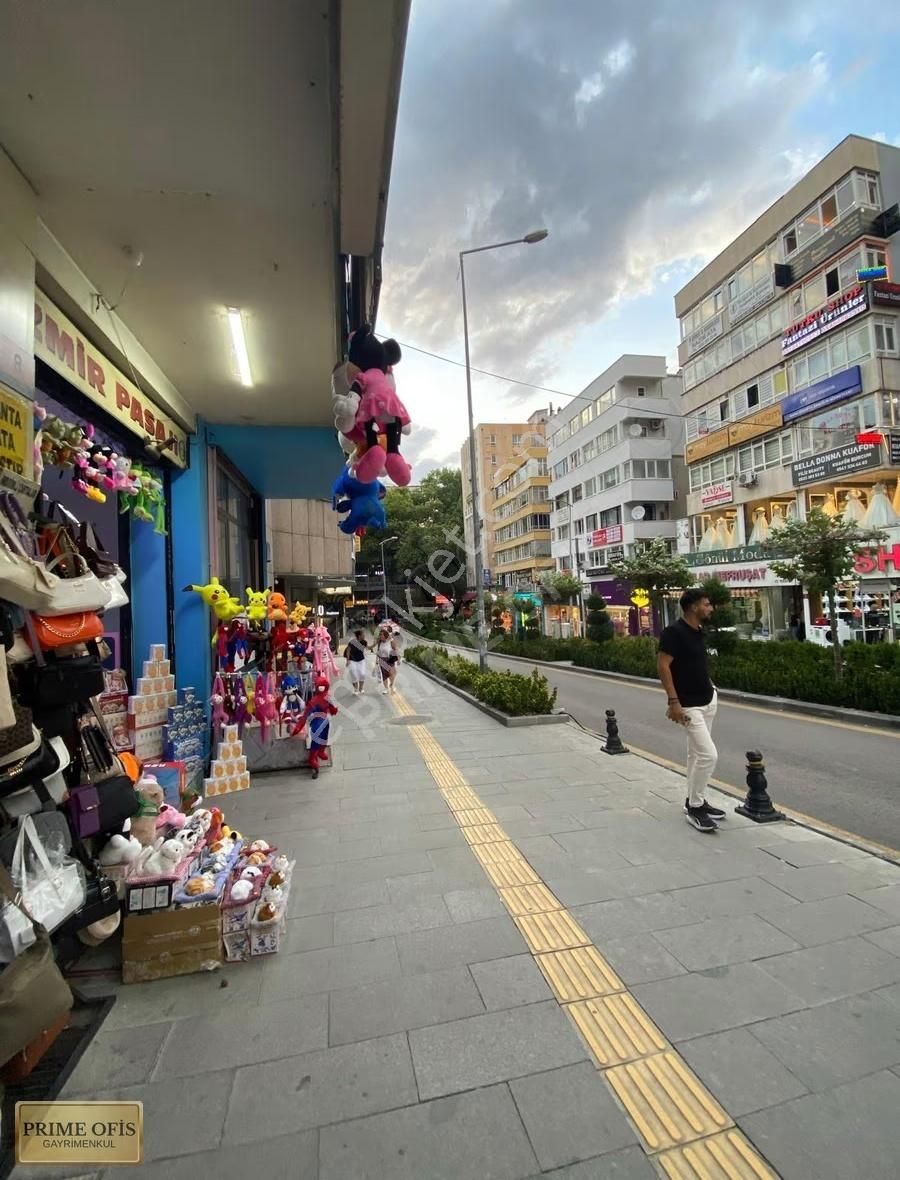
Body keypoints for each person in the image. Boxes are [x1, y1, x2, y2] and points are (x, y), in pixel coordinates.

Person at [657, 588, 727, 833]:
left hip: (708, 700)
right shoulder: (673, 633)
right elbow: (663, 666)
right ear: (693, 607)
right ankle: (696, 807)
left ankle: (695, 801)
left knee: (696, 755)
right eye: (706, 604)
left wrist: (712, 688)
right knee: (709, 755)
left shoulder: (698, 630)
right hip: (688, 705)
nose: (711, 608)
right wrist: (673, 701)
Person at [375, 626, 400, 694]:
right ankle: (386, 688)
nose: (380, 636)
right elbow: (378, 651)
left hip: (389, 659)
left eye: (381, 635)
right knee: (384, 675)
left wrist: (398, 659)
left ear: (385, 635)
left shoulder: (390, 641)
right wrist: (376, 660)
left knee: (391, 674)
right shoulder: (380, 642)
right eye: (380, 635)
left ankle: (392, 685)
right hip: (382, 660)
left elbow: (395, 649)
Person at [343, 629, 369, 694]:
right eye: (363, 635)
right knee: (354, 674)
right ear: (359, 636)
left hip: (361, 660)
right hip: (352, 660)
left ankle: (361, 688)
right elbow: (348, 651)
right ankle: (355, 689)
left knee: (362, 674)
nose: (364, 636)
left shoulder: (364, 642)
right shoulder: (352, 642)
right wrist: (347, 660)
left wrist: (376, 643)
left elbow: (368, 648)